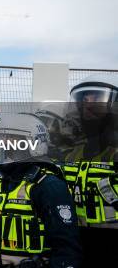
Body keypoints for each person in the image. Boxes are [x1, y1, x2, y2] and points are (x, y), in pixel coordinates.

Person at [0, 113, 82, 267]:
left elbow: (66, 247)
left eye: (12, 139)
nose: (4, 145)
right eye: (1, 139)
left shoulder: (48, 185)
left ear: (34, 143)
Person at [61, 75, 118, 267]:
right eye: (83, 99)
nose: (87, 103)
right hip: (75, 236)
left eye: (95, 97)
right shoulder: (74, 151)